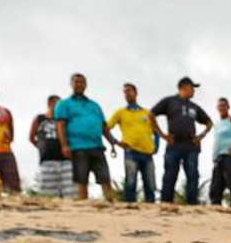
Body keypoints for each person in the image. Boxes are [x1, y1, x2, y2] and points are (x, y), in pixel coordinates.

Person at [152, 77, 213, 205]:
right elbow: (151, 114)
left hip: (191, 146)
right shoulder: (169, 101)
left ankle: (192, 205)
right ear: (184, 88)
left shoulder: (194, 106)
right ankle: (166, 203)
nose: (194, 92)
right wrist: (162, 134)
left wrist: (201, 136)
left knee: (192, 176)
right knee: (170, 175)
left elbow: (209, 122)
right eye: (192, 88)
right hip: (174, 144)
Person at [56, 73, 117, 201]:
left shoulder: (94, 105)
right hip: (78, 147)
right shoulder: (64, 104)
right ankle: (84, 206)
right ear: (71, 84)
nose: (79, 85)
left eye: (82, 82)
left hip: (97, 146)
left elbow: (103, 126)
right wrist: (64, 145)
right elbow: (61, 125)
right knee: (82, 179)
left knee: (105, 177)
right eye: (76, 82)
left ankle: (111, 203)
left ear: (86, 85)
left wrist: (112, 141)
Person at [106, 83, 158, 203]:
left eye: (129, 91)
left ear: (136, 92)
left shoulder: (147, 113)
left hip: (147, 153)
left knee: (150, 183)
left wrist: (157, 145)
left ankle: (151, 207)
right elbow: (106, 128)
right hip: (131, 152)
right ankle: (130, 206)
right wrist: (115, 142)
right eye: (125, 92)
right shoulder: (121, 112)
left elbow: (156, 131)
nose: (127, 93)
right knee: (131, 182)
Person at [29, 95, 71, 198]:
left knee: (70, 191)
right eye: (57, 103)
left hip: (65, 159)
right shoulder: (40, 118)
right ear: (51, 103)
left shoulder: (64, 120)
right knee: (48, 193)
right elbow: (31, 137)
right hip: (47, 160)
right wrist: (42, 147)